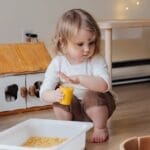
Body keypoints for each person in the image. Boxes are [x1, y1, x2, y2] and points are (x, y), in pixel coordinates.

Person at [40, 8, 116, 143]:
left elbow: (104, 85)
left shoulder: (96, 59)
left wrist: (80, 79)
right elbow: (44, 92)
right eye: (80, 44)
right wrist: (54, 95)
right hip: (74, 111)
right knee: (60, 97)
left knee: (91, 95)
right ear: (63, 44)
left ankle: (100, 128)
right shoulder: (58, 62)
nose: (87, 49)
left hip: (98, 108)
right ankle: (67, 128)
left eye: (91, 42)